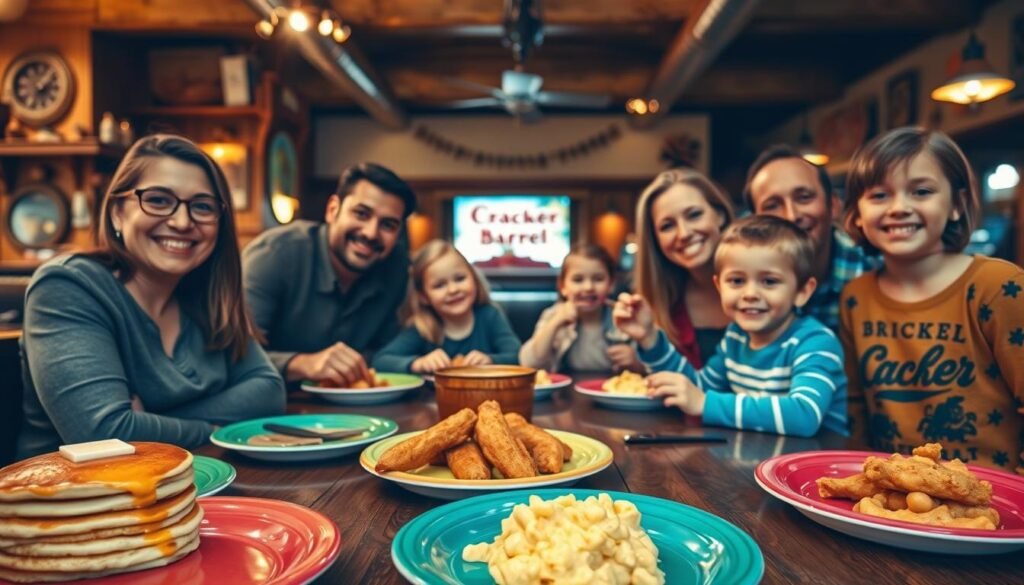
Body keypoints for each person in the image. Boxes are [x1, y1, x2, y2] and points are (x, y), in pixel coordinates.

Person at [17, 135, 285, 459]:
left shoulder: (207, 297)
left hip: (187, 490)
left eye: (202, 207)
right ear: (117, 212)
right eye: (158, 200)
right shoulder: (67, 287)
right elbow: (104, 435)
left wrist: (148, 423)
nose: (182, 222)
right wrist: (212, 430)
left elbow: (269, 391)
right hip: (73, 502)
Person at [839, 127, 1023, 472]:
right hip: (897, 495)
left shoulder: (998, 286)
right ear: (857, 215)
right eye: (879, 196)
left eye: (921, 191)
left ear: (957, 204)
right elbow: (855, 408)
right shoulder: (856, 297)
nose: (899, 208)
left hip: (993, 496)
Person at [614, 215, 847, 438]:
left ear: (802, 291)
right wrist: (649, 338)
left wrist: (705, 404)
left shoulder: (816, 341)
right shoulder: (736, 337)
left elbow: (803, 416)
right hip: (760, 462)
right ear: (719, 286)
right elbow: (697, 389)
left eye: (769, 281)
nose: (750, 294)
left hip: (820, 470)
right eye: (736, 281)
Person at [243, 162, 416, 387]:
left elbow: (384, 350)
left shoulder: (395, 266)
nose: (371, 233)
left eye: (388, 225)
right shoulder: (276, 255)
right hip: (272, 404)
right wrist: (302, 363)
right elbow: (232, 355)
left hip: (359, 411)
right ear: (333, 210)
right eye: (361, 214)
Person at [744, 145, 874, 331]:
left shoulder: (875, 270)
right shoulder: (743, 285)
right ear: (755, 222)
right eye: (772, 205)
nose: (791, 215)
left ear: (834, 205)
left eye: (804, 198)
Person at [633, 168, 736, 368]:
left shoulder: (767, 285)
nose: (683, 233)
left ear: (720, 215)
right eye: (667, 226)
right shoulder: (663, 305)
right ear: (656, 241)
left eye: (694, 215)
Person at [372, 241, 521, 373]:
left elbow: (518, 356)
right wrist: (417, 363)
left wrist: (490, 361)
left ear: (474, 279)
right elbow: (381, 360)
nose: (453, 290)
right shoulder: (423, 328)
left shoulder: (490, 316)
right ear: (424, 297)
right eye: (439, 285)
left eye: (460, 279)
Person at [520, 243, 642, 374]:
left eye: (598, 279)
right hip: (565, 392)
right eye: (578, 280)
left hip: (612, 389)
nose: (588, 287)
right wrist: (554, 324)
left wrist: (636, 362)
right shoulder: (553, 315)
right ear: (563, 287)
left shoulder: (623, 317)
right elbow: (529, 363)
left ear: (611, 284)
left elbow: (650, 366)